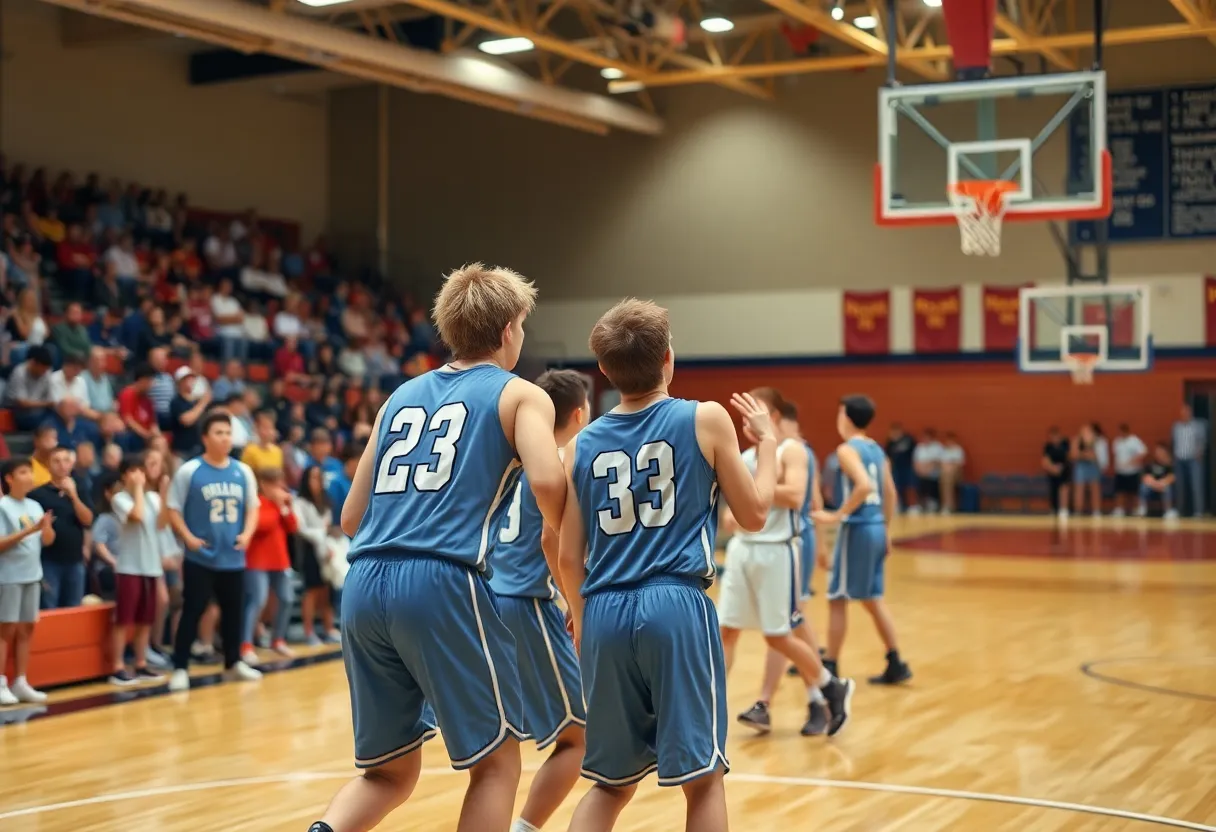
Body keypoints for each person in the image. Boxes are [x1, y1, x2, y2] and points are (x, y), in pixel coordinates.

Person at [310, 264, 566, 832]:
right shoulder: (520, 394)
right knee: (498, 762)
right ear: (507, 330)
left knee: (388, 775)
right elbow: (549, 483)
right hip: (441, 580)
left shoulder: (400, 396)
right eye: (522, 324)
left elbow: (352, 516)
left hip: (364, 582)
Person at [555, 299, 782, 832]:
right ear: (668, 360)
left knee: (610, 783)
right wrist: (768, 445)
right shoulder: (704, 417)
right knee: (703, 780)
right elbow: (751, 515)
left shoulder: (580, 444)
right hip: (675, 602)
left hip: (605, 609)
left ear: (605, 372)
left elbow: (567, 556)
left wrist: (583, 617)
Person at [488, 370, 590, 832]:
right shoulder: (565, 458)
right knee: (577, 738)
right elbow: (555, 540)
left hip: (488, 599)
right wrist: (576, 601)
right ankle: (523, 828)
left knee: (505, 739)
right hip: (529, 600)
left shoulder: (511, 455)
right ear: (579, 412)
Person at [719, 388, 850, 739]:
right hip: (743, 549)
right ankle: (710, 707)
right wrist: (734, 511)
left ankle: (827, 686)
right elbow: (734, 508)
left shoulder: (792, 450)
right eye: (743, 416)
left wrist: (752, 485)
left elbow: (795, 495)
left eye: (754, 414)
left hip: (779, 551)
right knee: (726, 630)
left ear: (772, 415)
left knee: (779, 634)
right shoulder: (746, 455)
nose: (747, 422)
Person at [814, 395, 911, 686]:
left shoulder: (846, 450)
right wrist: (885, 528)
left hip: (856, 529)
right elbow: (890, 493)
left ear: (845, 416)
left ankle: (829, 666)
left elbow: (864, 485)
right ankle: (896, 661)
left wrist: (836, 515)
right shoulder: (877, 450)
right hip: (876, 527)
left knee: (837, 598)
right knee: (871, 597)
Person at [165, 411, 261, 692]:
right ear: (205, 438)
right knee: (192, 611)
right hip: (200, 557)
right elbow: (172, 508)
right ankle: (180, 667)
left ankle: (233, 663)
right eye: (219, 432)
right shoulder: (189, 470)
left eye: (228, 433)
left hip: (233, 557)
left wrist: (247, 533)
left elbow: (253, 507)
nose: (225, 438)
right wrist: (188, 539)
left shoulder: (242, 471)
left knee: (234, 613)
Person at [107, 456, 169, 685]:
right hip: (129, 568)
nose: (138, 475)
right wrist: (139, 489)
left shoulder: (151, 497)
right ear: (124, 476)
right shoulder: (119, 499)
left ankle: (141, 663)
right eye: (132, 471)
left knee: (145, 620)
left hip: (151, 567)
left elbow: (162, 523)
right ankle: (117, 667)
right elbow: (137, 516)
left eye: (140, 471)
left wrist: (162, 494)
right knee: (124, 620)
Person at [0, 458, 56, 705]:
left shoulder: (34, 505)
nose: (30, 477)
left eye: (30, 472)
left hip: (32, 575)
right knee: (5, 630)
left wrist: (45, 529)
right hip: (8, 577)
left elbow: (47, 541)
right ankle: (1, 681)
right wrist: (30, 531)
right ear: (9, 478)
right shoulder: (3, 506)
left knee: (26, 629)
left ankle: (20, 681)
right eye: (23, 472)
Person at [240, 467, 297, 665]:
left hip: (280, 560)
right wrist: (278, 506)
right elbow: (262, 525)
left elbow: (292, 527)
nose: (278, 488)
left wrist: (285, 508)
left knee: (287, 599)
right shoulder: (257, 503)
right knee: (257, 600)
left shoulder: (279, 504)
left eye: (279, 483)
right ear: (263, 485)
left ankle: (278, 639)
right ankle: (245, 644)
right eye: (273, 484)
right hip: (257, 561)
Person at [30, 446, 94, 609]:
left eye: (66, 460)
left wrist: (73, 495)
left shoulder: (80, 488)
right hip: (49, 560)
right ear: (47, 465)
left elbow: (87, 520)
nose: (62, 465)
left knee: (74, 608)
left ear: (72, 463)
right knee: (50, 608)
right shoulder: (38, 494)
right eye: (56, 461)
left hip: (75, 560)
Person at [293, 465, 340, 646]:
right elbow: (300, 528)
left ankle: (329, 629)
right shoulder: (300, 502)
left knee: (325, 591)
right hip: (309, 550)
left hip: (325, 550)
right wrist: (321, 533)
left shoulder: (325, 502)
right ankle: (309, 632)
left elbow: (327, 526)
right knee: (311, 592)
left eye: (319, 478)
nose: (317, 482)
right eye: (313, 478)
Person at [1172, 404, 1209, 517]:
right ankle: (1180, 511)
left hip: (1193, 459)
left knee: (1196, 485)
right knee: (1180, 486)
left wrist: (1200, 452)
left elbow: (1203, 441)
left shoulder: (1198, 425)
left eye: (1187, 412)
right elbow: (1174, 441)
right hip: (1179, 459)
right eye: (1183, 412)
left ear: (1190, 413)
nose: (1185, 414)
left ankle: (1198, 511)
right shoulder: (1176, 426)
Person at [1111, 424, 1147, 518]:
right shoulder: (1117, 442)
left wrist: (1133, 461)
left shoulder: (1134, 441)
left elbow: (1143, 452)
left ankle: (1137, 508)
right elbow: (1115, 455)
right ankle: (1119, 509)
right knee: (1119, 491)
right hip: (1120, 471)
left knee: (1134, 491)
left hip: (1133, 471)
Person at [1138, 442, 1178, 519]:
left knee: (1167, 488)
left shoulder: (1169, 465)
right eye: (1157, 451)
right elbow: (1146, 477)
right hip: (1153, 486)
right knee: (1143, 487)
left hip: (1164, 485)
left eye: (1160, 451)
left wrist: (1162, 483)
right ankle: (1142, 508)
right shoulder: (1151, 464)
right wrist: (1155, 484)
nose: (1158, 453)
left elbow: (1172, 477)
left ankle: (1168, 510)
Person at [1071, 423, 1102, 517]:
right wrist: (1085, 455)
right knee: (1079, 488)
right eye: (1084, 431)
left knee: (1095, 487)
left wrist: (1088, 454)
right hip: (1081, 466)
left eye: (1088, 431)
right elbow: (1073, 455)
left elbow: (1096, 456)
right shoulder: (1076, 440)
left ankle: (1096, 511)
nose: (1086, 433)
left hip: (1093, 466)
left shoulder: (1096, 441)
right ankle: (1078, 511)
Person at [885, 423, 916, 513]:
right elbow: (888, 457)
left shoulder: (908, 439)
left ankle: (913, 505)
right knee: (896, 486)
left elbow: (915, 453)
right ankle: (899, 505)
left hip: (909, 467)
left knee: (911, 486)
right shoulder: (890, 443)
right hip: (896, 468)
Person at [1041, 426, 1072, 519]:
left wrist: (1061, 468)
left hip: (1064, 470)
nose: (1054, 439)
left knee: (1064, 488)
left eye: (1056, 436)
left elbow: (1069, 456)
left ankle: (1064, 509)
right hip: (1053, 472)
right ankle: (1054, 509)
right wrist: (1052, 468)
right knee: (1053, 489)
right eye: (1052, 437)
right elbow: (1045, 460)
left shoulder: (1065, 444)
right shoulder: (1048, 447)